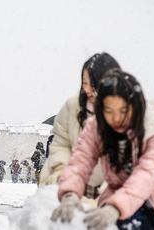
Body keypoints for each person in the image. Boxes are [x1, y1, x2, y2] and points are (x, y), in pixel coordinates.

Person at [51, 70, 154, 230]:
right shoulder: (97, 126)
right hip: (122, 205)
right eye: (109, 111)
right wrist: (70, 193)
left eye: (122, 110)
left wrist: (115, 207)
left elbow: (147, 174)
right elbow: (81, 160)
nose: (116, 118)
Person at [42, 53, 121, 199]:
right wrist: (63, 175)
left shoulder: (124, 112)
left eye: (95, 83)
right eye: (85, 82)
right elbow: (60, 145)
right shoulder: (72, 107)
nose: (89, 89)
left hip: (110, 191)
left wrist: (109, 191)